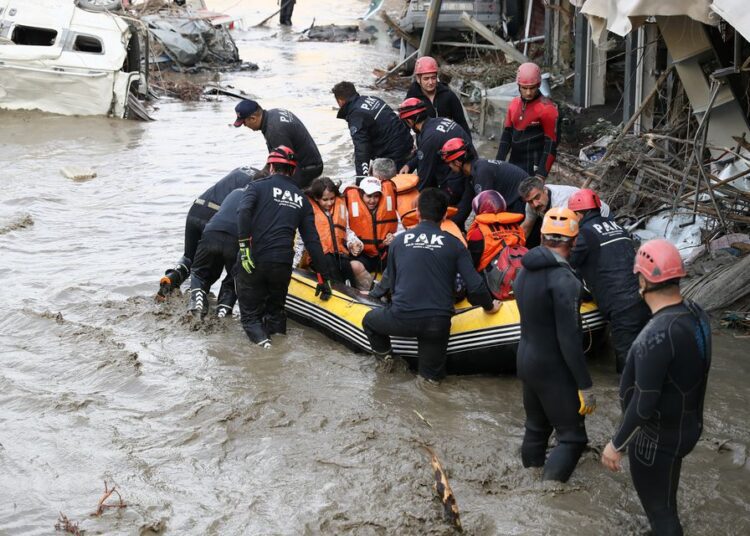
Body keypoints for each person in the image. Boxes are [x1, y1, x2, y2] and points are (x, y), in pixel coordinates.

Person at [601, 239, 712, 536]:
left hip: (655, 440)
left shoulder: (655, 336)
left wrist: (616, 445)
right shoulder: (696, 313)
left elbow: (643, 403)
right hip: (687, 427)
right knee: (664, 499)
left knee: (660, 513)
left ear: (643, 279)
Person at [362, 188, 501, 382]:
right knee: (430, 382)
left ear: (417, 212)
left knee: (369, 320)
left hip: (402, 318)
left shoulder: (398, 242)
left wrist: (371, 296)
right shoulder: (455, 244)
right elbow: (476, 287)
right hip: (437, 323)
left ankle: (387, 362)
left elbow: (387, 281)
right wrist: (489, 306)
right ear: (445, 215)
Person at [514, 207, 596, 482]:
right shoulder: (564, 280)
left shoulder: (524, 270)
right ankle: (548, 497)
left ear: (541, 235)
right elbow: (569, 338)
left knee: (536, 428)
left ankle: (529, 482)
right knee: (573, 438)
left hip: (525, 359)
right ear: (574, 240)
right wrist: (584, 385)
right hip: (552, 367)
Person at [236, 146, 332, 348]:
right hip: (282, 264)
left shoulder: (256, 187)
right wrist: (324, 277)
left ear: (271, 167)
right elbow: (313, 241)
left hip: (255, 259)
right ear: (293, 170)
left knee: (250, 317)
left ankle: (266, 347)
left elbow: (243, 212)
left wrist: (244, 249)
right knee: (276, 311)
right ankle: (279, 345)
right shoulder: (302, 199)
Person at [568, 189, 650, 373]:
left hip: (622, 306)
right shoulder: (618, 227)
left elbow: (568, 264)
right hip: (645, 297)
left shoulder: (584, 236)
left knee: (627, 368)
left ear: (579, 214)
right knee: (648, 354)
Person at [157, 166, 257, 300]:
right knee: (214, 262)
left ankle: (172, 277)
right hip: (216, 218)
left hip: (196, 208)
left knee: (189, 257)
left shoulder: (243, 168)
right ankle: (202, 297)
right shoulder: (262, 185)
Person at [397, 97, 474, 228]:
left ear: (410, 121)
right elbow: (425, 153)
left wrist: (417, 201)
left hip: (457, 177)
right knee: (459, 214)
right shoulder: (437, 122)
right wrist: (410, 164)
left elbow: (424, 176)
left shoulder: (429, 137)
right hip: (468, 169)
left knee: (448, 219)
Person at [233, 99, 323, 189]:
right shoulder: (273, 114)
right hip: (310, 161)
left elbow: (283, 165)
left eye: (244, 122)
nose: (244, 125)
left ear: (253, 118)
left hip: (307, 168)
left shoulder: (275, 130)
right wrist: (263, 173)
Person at [332, 81, 414, 177]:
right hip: (407, 143)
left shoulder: (356, 116)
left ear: (340, 101)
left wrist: (361, 178)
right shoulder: (371, 99)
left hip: (395, 154)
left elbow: (361, 149)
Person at [186, 187, 245, 318]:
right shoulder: (259, 198)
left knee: (198, 272)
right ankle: (223, 310)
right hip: (235, 239)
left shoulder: (234, 191)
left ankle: (198, 301)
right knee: (233, 277)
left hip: (211, 232)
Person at [496, 62, 559, 177]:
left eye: (532, 88)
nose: (528, 92)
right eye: (524, 88)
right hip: (514, 163)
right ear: (518, 85)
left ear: (539, 84)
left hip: (533, 168)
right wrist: (497, 162)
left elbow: (551, 145)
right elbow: (507, 135)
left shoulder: (548, 109)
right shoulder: (514, 104)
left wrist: (541, 175)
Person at [440, 137, 527, 216]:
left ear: (457, 162)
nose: (449, 167)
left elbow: (485, 211)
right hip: (515, 200)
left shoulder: (481, 172)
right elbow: (465, 204)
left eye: (449, 163)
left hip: (522, 201)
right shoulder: (473, 172)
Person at [518, 176, 610, 249]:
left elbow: (564, 238)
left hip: (599, 214)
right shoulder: (532, 204)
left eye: (537, 197)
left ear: (544, 190)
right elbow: (526, 227)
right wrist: (513, 245)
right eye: (530, 201)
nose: (535, 204)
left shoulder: (561, 203)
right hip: (577, 219)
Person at [344, 176, 401, 290]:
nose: (372, 200)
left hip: (384, 253)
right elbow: (346, 230)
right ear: (361, 194)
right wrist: (353, 242)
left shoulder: (390, 209)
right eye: (369, 196)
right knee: (353, 266)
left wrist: (394, 237)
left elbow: (401, 229)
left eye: (376, 196)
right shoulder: (350, 208)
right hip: (364, 254)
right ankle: (371, 292)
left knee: (400, 261)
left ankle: (392, 292)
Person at [466, 190, 526, 298]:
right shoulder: (517, 227)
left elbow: (471, 264)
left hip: (493, 282)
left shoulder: (478, 233)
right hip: (521, 276)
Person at [305, 177, 357, 285]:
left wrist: (353, 242)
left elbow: (345, 229)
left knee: (347, 270)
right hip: (320, 256)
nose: (329, 203)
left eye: (332, 198)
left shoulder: (340, 206)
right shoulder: (308, 210)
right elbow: (301, 239)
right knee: (331, 267)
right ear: (315, 197)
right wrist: (294, 265)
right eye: (325, 200)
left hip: (339, 253)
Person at [405, 56, 471, 140]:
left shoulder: (448, 95)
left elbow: (461, 123)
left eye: (433, 78)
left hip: (447, 141)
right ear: (418, 79)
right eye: (426, 79)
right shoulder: (412, 97)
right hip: (425, 142)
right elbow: (406, 125)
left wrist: (468, 145)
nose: (430, 82)